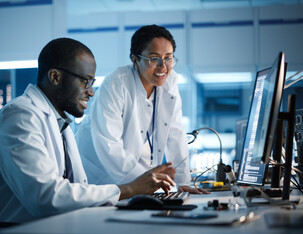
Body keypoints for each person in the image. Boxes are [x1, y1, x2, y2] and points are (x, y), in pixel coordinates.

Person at [0, 37, 176, 224]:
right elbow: (46, 197)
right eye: (85, 81)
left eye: (92, 83)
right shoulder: (20, 116)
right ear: (55, 76)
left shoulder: (59, 123)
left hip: (58, 226)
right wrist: (129, 188)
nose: (91, 92)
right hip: (19, 232)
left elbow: (76, 189)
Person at [75, 25, 209, 194]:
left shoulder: (170, 81)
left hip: (135, 180)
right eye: (154, 59)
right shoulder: (117, 84)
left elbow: (176, 134)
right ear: (135, 59)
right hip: (98, 176)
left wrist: (182, 182)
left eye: (168, 58)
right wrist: (149, 181)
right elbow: (109, 146)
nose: (163, 67)